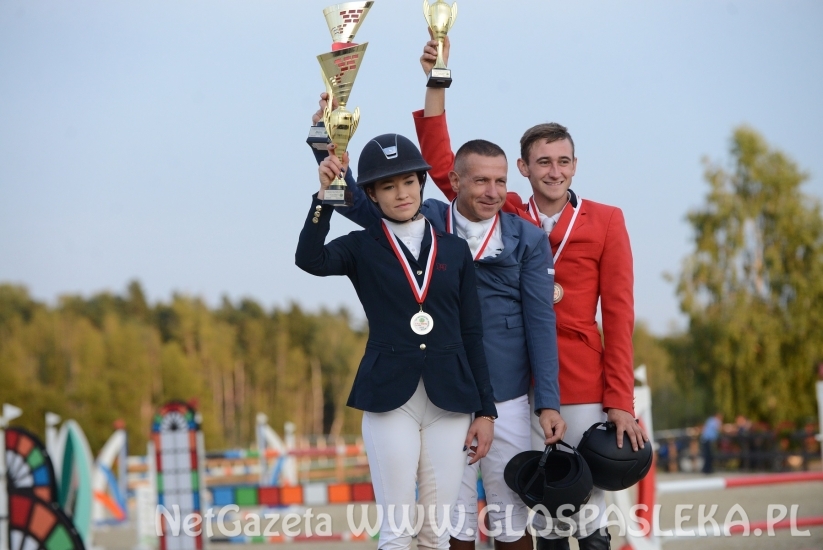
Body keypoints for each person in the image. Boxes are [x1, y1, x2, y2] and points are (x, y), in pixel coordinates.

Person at [414, 37, 648, 550]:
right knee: (537, 508)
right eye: (543, 162)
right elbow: (443, 165)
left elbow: (619, 316)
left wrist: (620, 400)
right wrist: (435, 83)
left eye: (563, 161)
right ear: (524, 168)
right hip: (517, 378)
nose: (554, 171)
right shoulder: (507, 208)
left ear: (575, 165)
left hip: (579, 377)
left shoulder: (607, 221)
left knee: (585, 504)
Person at [307, 102, 566, 549]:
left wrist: (547, 401)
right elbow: (362, 200)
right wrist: (324, 147)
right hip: (440, 389)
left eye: (500, 181)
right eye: (480, 181)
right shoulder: (420, 215)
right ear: (454, 182)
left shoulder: (527, 237)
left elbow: (541, 323)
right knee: (449, 524)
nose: (492, 192)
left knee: (511, 516)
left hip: (503, 392)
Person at [295, 134, 498, 550]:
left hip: (451, 401)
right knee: (397, 530)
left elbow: (471, 333)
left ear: (421, 183)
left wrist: (486, 410)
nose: (401, 194)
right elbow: (309, 259)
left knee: (436, 533)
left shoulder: (455, 249)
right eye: (388, 187)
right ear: (371, 194)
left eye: (408, 182)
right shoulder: (361, 246)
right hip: (390, 398)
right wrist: (323, 198)